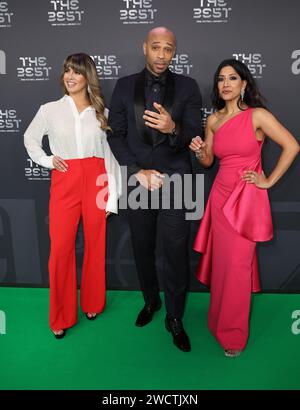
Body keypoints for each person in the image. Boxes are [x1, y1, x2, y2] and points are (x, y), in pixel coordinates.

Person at [190, 59, 299, 357]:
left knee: (238, 268)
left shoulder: (257, 116)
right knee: (224, 264)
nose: (226, 84)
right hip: (220, 197)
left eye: (233, 78)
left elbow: (292, 146)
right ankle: (217, 320)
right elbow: (209, 161)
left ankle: (234, 336)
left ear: (244, 84)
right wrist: (201, 152)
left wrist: (268, 181)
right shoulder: (213, 120)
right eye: (221, 79)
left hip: (246, 199)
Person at [107, 27, 202, 352]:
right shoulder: (123, 86)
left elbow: (195, 134)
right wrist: (136, 171)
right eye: (156, 47)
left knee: (176, 254)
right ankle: (151, 302)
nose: (162, 55)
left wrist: (173, 127)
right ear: (145, 48)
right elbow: (115, 134)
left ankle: (175, 317)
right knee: (142, 247)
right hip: (138, 181)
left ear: (174, 52)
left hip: (179, 179)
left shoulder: (188, 87)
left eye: (169, 49)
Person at [24, 53, 122, 339]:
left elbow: (109, 155)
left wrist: (112, 195)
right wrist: (47, 160)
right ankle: (61, 315)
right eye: (66, 70)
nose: (70, 76)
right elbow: (30, 139)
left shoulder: (101, 112)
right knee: (60, 251)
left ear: (87, 76)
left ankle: (92, 302)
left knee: (95, 245)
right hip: (65, 180)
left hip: (97, 179)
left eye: (76, 72)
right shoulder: (49, 110)